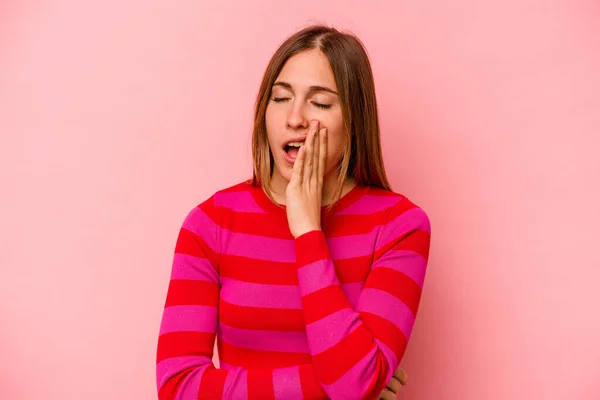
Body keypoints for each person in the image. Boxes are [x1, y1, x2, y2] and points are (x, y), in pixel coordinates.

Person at [156, 24, 431, 400]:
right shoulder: (211, 223)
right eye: (280, 98)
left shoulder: (400, 226)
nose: (295, 118)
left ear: (354, 119)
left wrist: (307, 230)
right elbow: (178, 387)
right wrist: (340, 385)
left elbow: (355, 383)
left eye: (319, 103)